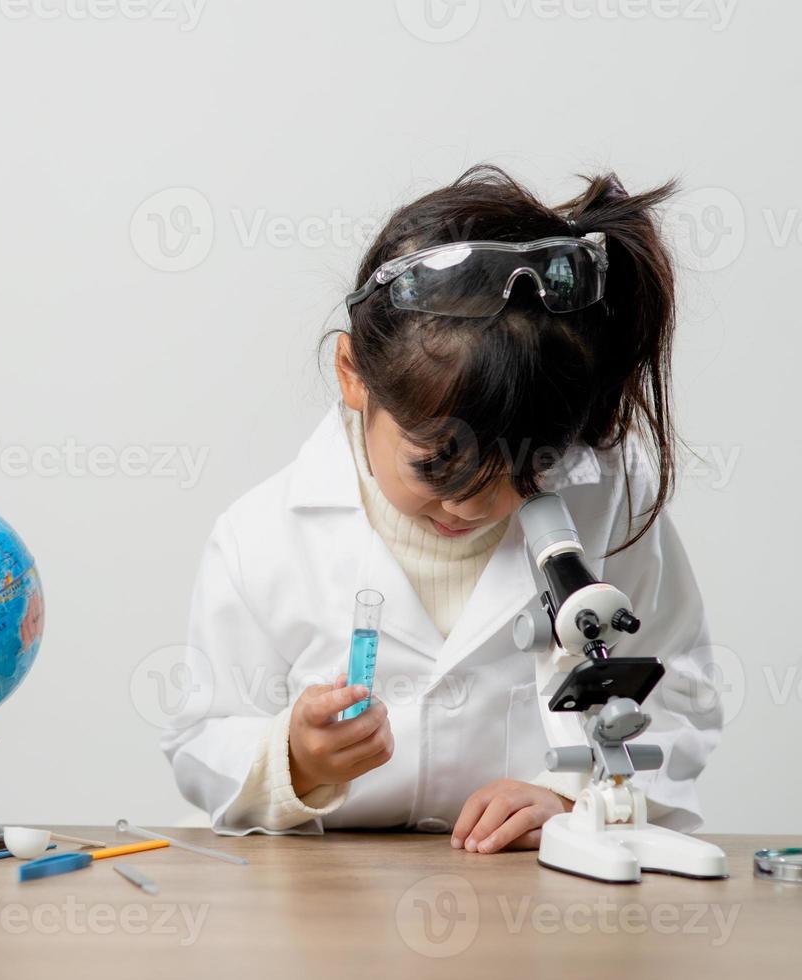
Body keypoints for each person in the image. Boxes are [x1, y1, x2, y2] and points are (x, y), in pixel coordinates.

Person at [160, 165, 720, 854]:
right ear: (352, 376)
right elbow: (200, 738)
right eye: (436, 463)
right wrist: (295, 760)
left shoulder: (610, 502)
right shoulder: (260, 539)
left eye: (525, 467)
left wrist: (574, 796)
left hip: (530, 905)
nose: (472, 502)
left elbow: (679, 695)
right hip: (326, 909)